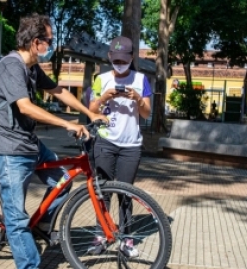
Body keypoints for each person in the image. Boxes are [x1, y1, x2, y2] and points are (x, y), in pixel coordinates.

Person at [0, 13, 107, 269]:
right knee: (17, 221)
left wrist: (89, 114)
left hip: (30, 144)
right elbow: (26, 107)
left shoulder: (32, 68)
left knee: (63, 181)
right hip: (10, 148)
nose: (51, 46)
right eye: (49, 41)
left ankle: (41, 223)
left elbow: (59, 90)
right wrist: (67, 124)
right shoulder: (11, 66)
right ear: (34, 42)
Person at [87, 36, 152, 258]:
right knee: (103, 192)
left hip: (131, 145)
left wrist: (138, 99)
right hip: (105, 142)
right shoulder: (101, 79)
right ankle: (100, 236)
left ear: (132, 57)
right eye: (116, 60)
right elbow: (92, 110)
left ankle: (126, 240)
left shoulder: (141, 79)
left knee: (126, 194)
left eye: (125, 60)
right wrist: (105, 96)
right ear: (109, 57)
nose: (120, 64)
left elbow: (146, 113)